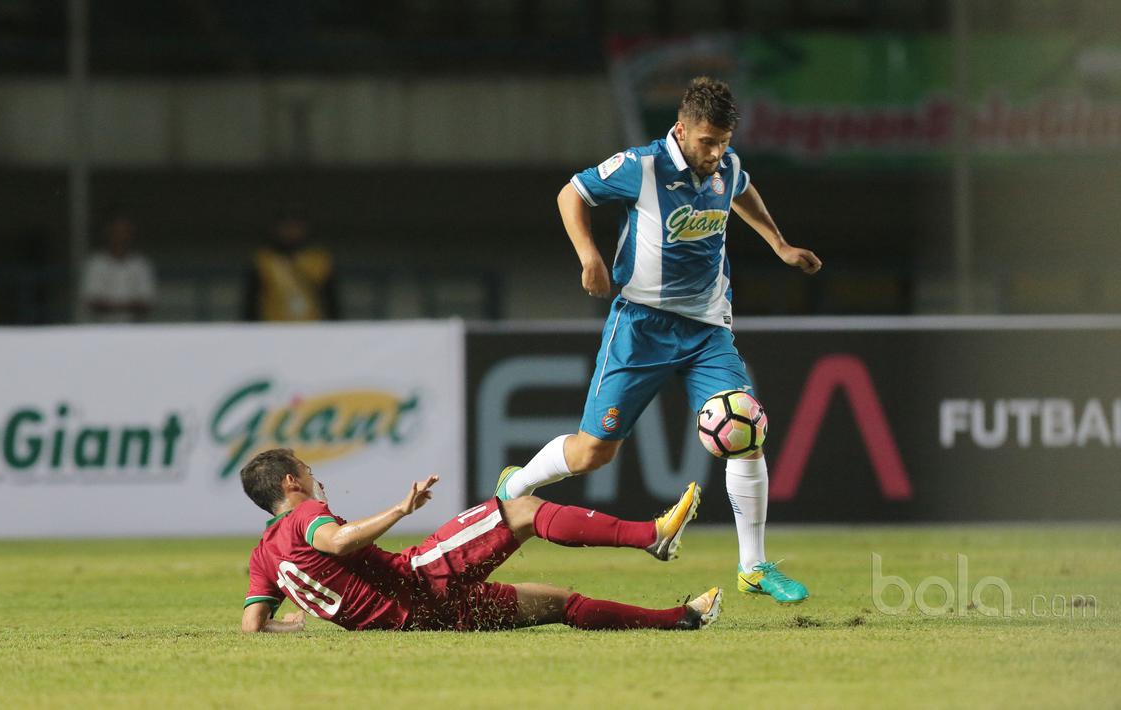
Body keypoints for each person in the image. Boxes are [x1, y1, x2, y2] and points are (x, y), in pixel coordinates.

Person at [494, 77, 822, 604]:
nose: (716, 153)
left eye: (724, 141)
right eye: (707, 142)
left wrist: (779, 244)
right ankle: (517, 483)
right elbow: (570, 194)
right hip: (641, 325)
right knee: (591, 453)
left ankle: (754, 565)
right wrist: (590, 257)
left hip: (708, 328)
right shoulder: (641, 166)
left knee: (743, 426)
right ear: (681, 130)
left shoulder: (728, 167)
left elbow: (742, 190)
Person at [239, 448, 720, 633]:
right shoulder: (306, 514)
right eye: (307, 470)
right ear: (289, 482)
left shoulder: (262, 556)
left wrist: (292, 626)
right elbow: (338, 542)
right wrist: (399, 510)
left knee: (559, 603)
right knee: (523, 511)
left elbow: (253, 626)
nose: (314, 476)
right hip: (421, 581)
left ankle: (681, 618)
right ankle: (653, 536)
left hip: (413, 624)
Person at [244, 211, 337, 321]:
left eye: (296, 226)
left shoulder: (319, 260)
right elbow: (251, 302)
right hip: (273, 328)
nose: (291, 231)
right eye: (286, 227)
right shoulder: (264, 261)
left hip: (312, 327)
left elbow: (331, 301)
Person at [80, 214, 156, 323]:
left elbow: (146, 304)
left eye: (124, 231)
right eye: (116, 231)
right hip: (100, 329)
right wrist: (128, 306)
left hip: (135, 330)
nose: (120, 236)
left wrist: (111, 306)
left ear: (131, 234)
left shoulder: (141, 264)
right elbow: (92, 303)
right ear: (108, 233)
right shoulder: (95, 263)